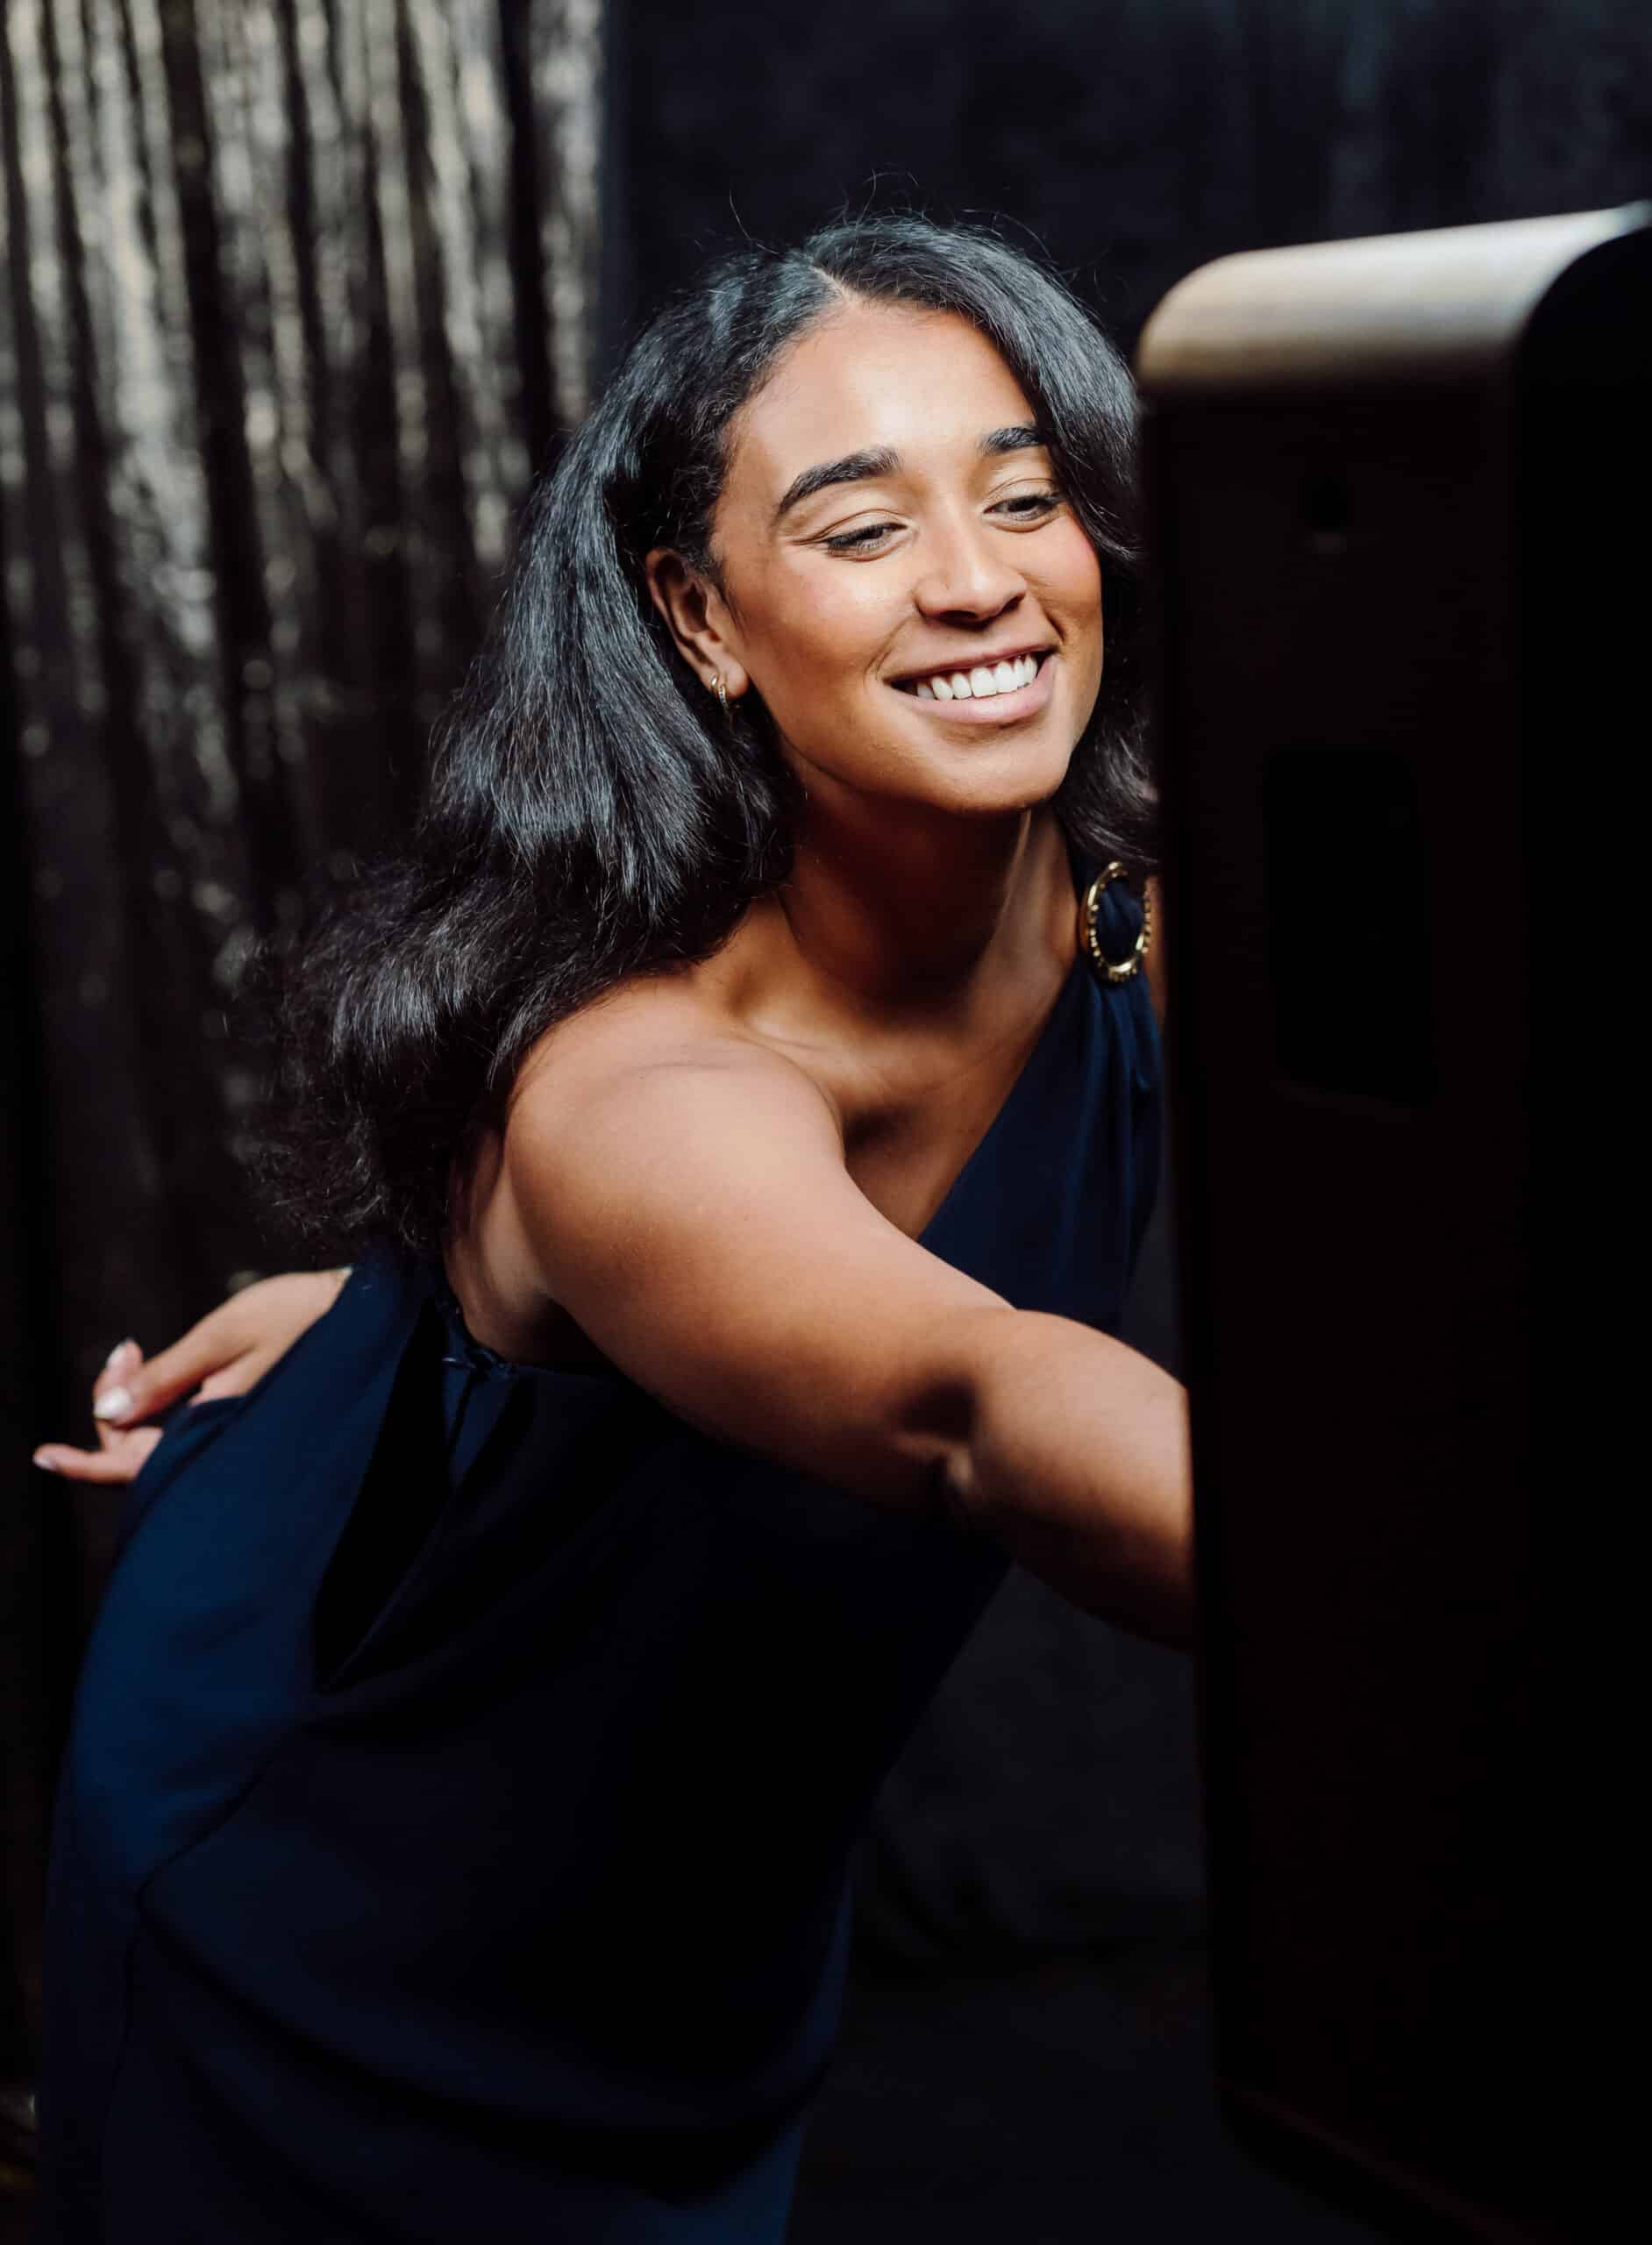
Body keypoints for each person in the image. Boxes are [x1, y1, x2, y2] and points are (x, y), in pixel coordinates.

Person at [33, 214, 1191, 2241]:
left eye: (1028, 495)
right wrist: (1467, 1613)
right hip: (328, 1916)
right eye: (858, 528)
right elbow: (976, 1403)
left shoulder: (1128, 925)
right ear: (701, 613)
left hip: (694, 1940)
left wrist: (401, 1316)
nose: (979, 577)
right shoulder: (627, 1091)